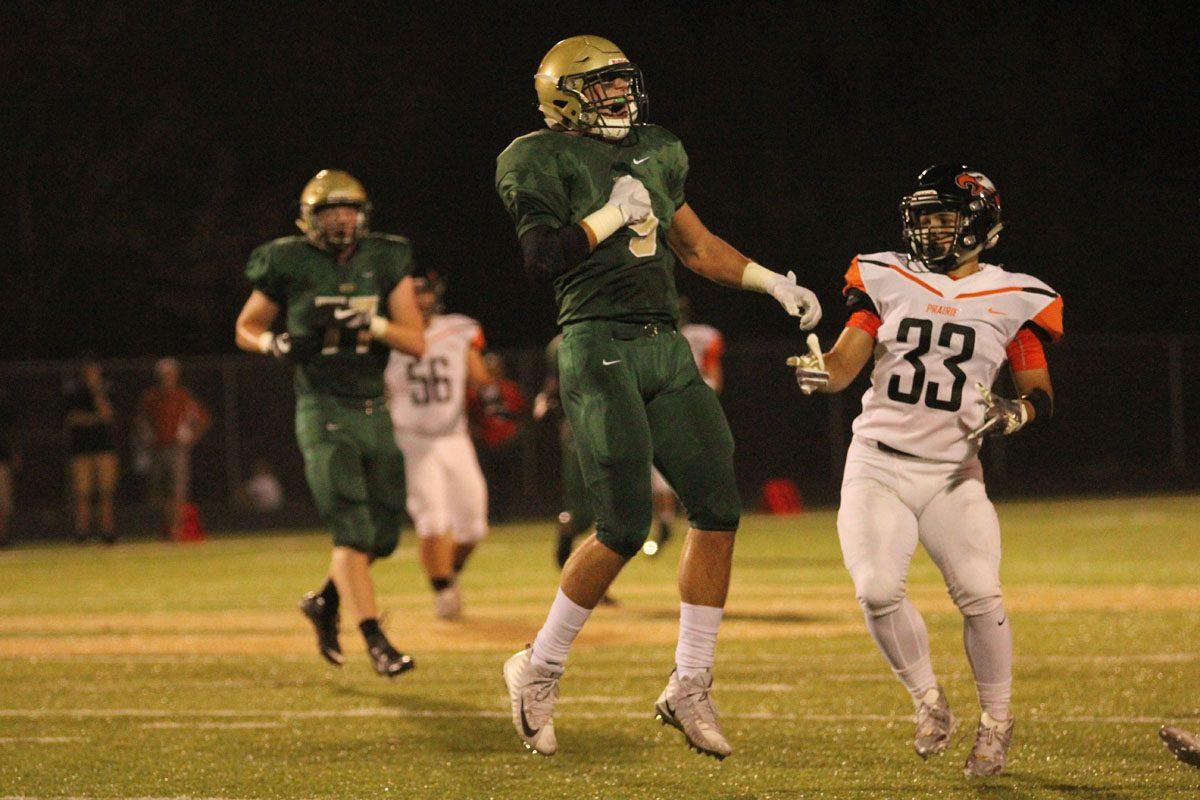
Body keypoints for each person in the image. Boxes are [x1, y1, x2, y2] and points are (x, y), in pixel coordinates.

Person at [495, 35, 821, 759]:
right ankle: (538, 669)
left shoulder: (657, 149)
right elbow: (542, 259)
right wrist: (609, 216)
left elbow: (697, 247)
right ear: (565, 96)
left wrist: (773, 283)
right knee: (621, 522)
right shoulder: (534, 157)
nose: (620, 97)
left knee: (718, 507)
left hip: (664, 342)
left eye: (621, 84)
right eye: (605, 87)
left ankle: (690, 682)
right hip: (596, 339)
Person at [787, 164, 1062, 777]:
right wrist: (819, 372)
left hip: (953, 472)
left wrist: (1016, 412)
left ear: (979, 221)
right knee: (877, 589)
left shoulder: (1014, 295)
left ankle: (996, 723)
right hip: (878, 464)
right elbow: (843, 363)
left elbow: (1037, 389)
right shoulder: (888, 277)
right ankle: (928, 700)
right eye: (923, 217)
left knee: (980, 590)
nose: (929, 230)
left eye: (942, 217)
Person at [234, 169, 426, 678]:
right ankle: (374, 638)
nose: (340, 220)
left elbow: (416, 340)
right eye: (329, 212)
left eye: (348, 210)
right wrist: (271, 343)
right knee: (351, 531)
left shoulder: (386, 257)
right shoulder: (287, 260)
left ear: (363, 215)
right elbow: (247, 327)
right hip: (322, 408)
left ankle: (323, 600)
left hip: (373, 407)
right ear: (308, 218)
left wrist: (375, 323)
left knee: (381, 535)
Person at [384, 274, 491, 620]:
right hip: (412, 439)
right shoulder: (385, 336)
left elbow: (478, 376)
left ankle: (451, 573)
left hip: (454, 436)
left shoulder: (458, 329)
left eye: (425, 293)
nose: (420, 301)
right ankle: (442, 590)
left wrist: (491, 397)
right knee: (431, 521)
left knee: (473, 527)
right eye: (413, 295)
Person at [532, 334, 614, 605]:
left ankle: (591, 583)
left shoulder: (617, 335)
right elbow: (553, 385)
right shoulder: (561, 345)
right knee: (584, 509)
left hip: (613, 426)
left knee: (612, 511)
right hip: (581, 429)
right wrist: (546, 400)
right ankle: (571, 556)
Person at [645, 297, 726, 556]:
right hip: (682, 408)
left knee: (671, 469)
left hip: (680, 408)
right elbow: (714, 378)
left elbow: (713, 376)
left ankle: (683, 521)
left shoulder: (656, 339)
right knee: (666, 470)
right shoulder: (697, 336)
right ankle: (674, 521)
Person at [136, 357, 210, 540]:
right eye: (164, 374)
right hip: (157, 448)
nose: (168, 378)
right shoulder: (151, 397)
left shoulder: (183, 396)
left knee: (178, 490)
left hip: (177, 448)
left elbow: (203, 419)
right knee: (161, 492)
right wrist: (146, 440)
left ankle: (176, 531)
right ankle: (167, 528)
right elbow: (139, 422)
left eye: (171, 374)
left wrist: (191, 438)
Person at [64, 357, 120, 544]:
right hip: (81, 449)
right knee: (82, 493)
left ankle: (108, 533)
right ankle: (82, 534)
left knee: (106, 491)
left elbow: (107, 414)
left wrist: (96, 390)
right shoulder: (73, 390)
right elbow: (72, 418)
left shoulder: (107, 388)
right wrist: (95, 418)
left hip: (104, 447)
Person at [469, 353, 527, 522]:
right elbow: (470, 415)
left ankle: (505, 513)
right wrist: (477, 434)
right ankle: (489, 514)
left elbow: (520, 413)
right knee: (485, 481)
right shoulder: (474, 391)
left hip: (506, 441)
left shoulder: (509, 389)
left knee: (506, 480)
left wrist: (514, 433)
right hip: (485, 441)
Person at [0, 390, 17, 548]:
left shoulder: (4, 407)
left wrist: (14, 454)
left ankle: (2, 539)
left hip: (2, 459)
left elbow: (11, 434)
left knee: (3, 502)